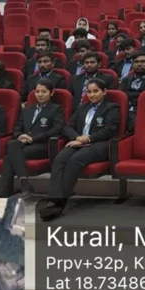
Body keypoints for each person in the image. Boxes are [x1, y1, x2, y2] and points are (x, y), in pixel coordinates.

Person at [39, 79, 121, 221]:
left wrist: (86, 139)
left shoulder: (112, 107)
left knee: (75, 160)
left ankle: (57, 204)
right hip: (78, 141)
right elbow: (67, 127)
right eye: (89, 92)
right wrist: (77, 137)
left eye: (95, 91)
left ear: (104, 91)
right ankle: (54, 200)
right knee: (59, 159)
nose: (92, 95)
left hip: (99, 143)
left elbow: (110, 130)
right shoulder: (82, 107)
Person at [0, 79, 65, 199]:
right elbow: (17, 127)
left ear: (51, 93)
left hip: (43, 145)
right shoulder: (27, 109)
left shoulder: (56, 109)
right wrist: (20, 135)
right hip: (23, 144)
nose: (40, 94)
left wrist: (33, 138)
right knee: (12, 144)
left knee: (9, 156)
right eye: (37, 91)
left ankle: (4, 194)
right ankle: (24, 183)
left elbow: (56, 129)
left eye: (44, 91)